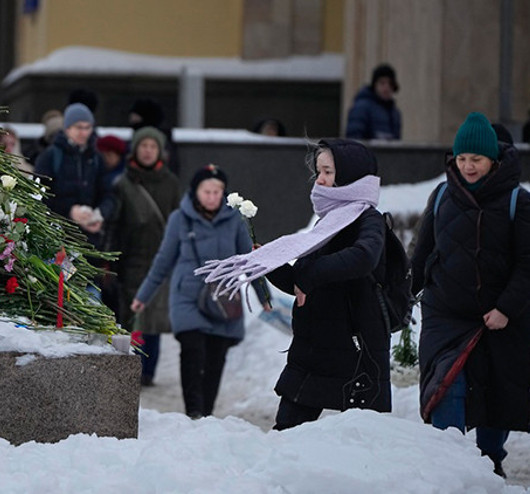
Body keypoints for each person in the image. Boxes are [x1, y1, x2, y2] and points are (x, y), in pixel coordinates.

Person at [196, 139, 392, 430]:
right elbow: (303, 283)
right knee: (285, 434)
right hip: (314, 347)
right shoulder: (328, 220)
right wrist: (269, 263)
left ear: (351, 174)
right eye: (319, 172)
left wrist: (309, 276)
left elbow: (364, 258)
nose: (320, 180)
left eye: (328, 172)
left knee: (362, 439)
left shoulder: (367, 219)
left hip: (353, 348)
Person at [410, 112, 530, 478]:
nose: (467, 166)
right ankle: (449, 468)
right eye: (461, 159)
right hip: (446, 315)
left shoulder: (517, 201)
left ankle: (490, 463)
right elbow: (423, 250)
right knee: (446, 390)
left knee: (496, 395)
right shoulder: (445, 193)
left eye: (475, 159)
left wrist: (506, 308)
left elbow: (528, 264)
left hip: (499, 321)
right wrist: (406, 294)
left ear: (493, 159)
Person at [131, 164, 269, 418]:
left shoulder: (235, 221)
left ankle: (205, 413)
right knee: (193, 350)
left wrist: (264, 297)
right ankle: (193, 411)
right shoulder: (179, 220)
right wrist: (143, 296)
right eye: (207, 191)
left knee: (216, 357)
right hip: (188, 296)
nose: (212, 196)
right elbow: (164, 260)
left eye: (218, 191)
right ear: (195, 191)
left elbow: (249, 261)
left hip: (224, 299)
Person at [106, 127, 182, 387]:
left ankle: (148, 371)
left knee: (155, 316)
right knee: (133, 315)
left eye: (153, 146)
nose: (148, 151)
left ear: (160, 150)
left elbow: (178, 220)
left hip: (161, 258)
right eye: (143, 146)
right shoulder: (123, 182)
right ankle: (133, 365)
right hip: (131, 258)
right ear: (135, 149)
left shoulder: (171, 182)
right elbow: (114, 224)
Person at [34, 103, 113, 248]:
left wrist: (100, 214)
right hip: (57, 240)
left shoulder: (96, 159)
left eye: (87, 127)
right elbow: (39, 197)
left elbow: (108, 193)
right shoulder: (50, 157)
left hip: (90, 242)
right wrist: (69, 211)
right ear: (67, 128)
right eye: (79, 127)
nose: (84, 132)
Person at [346, 63, 402, 140]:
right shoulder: (362, 108)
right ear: (375, 85)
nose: (386, 88)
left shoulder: (394, 113)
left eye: (390, 84)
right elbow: (354, 137)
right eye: (382, 83)